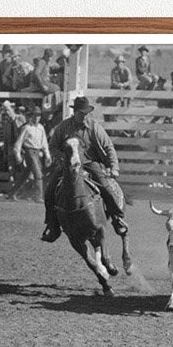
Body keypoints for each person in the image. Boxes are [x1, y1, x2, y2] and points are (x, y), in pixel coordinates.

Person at [42, 96, 126, 243]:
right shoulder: (63, 127)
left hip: (90, 163)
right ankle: (52, 225)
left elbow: (108, 147)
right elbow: (53, 146)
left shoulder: (94, 127)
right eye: (81, 113)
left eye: (86, 113)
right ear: (75, 112)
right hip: (68, 166)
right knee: (49, 191)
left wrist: (114, 167)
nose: (84, 115)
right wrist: (64, 158)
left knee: (106, 187)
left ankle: (117, 218)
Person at [10, 111, 51, 200]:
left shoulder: (41, 128)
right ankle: (38, 196)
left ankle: (12, 192)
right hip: (29, 151)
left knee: (25, 175)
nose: (37, 118)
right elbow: (19, 142)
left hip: (37, 152)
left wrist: (47, 155)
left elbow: (44, 143)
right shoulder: (26, 128)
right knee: (38, 174)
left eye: (39, 116)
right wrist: (18, 155)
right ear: (31, 116)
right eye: (35, 116)